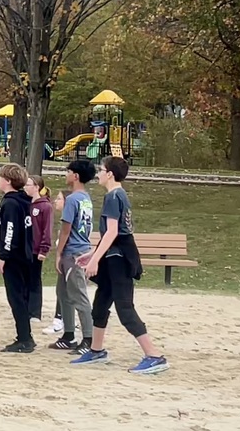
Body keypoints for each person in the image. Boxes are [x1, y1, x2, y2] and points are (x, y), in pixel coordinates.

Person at [71, 157, 170, 374]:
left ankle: (154, 356)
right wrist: (93, 253)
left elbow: (114, 233)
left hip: (120, 259)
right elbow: (111, 234)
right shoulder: (117, 195)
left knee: (125, 308)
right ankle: (96, 350)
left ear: (110, 174)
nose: (98, 173)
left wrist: (95, 260)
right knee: (100, 305)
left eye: (101, 170)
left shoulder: (114, 196)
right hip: (113, 256)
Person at [51, 161, 96, 354]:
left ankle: (88, 338)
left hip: (74, 252)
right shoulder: (86, 198)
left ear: (76, 176)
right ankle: (68, 335)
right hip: (81, 248)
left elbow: (66, 229)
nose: (66, 174)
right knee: (63, 293)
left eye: (68, 171)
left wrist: (59, 253)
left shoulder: (73, 199)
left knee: (78, 295)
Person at [0, 163, 35, 353]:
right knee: (22, 296)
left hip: (14, 257)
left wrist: (3, 256)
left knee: (16, 297)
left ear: (8, 181)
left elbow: (10, 230)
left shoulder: (10, 202)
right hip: (26, 255)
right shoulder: (25, 200)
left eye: (1, 177)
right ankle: (26, 335)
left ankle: (24, 339)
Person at [25, 175, 53, 321]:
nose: (25, 187)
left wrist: (44, 249)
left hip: (36, 249)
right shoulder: (26, 203)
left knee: (34, 280)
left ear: (36, 187)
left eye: (28, 185)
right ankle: (25, 309)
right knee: (24, 279)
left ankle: (35, 312)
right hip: (24, 249)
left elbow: (46, 229)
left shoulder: (45, 206)